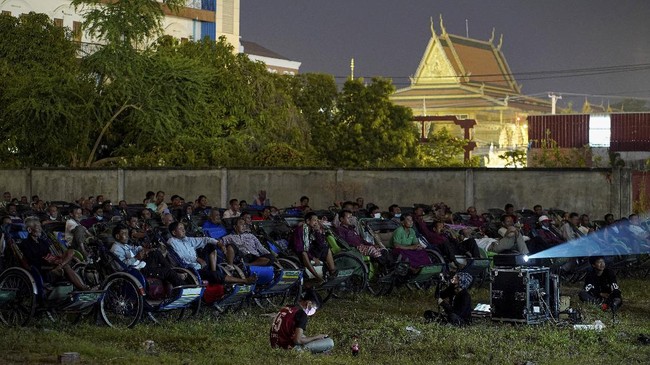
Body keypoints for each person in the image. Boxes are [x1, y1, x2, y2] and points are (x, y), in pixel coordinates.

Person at [166, 221, 255, 286]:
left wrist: (219, 244)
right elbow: (180, 256)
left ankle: (213, 270)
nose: (184, 230)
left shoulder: (188, 240)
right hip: (191, 269)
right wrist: (196, 259)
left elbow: (205, 239)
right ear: (174, 232)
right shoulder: (172, 241)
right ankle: (244, 281)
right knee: (216, 275)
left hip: (200, 265)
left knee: (210, 245)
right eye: (180, 229)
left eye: (183, 228)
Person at [20, 217, 90, 291]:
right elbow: (32, 260)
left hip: (52, 263)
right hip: (43, 268)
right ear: (29, 230)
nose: (40, 229)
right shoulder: (25, 244)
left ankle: (60, 266)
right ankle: (82, 287)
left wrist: (56, 258)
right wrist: (50, 262)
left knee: (71, 252)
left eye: (40, 226)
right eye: (37, 227)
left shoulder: (42, 241)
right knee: (66, 266)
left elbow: (49, 254)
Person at [110, 225, 186, 287]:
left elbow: (136, 249)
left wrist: (146, 249)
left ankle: (174, 272)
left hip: (140, 266)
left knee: (155, 252)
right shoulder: (116, 248)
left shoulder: (125, 245)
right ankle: (183, 287)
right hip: (134, 271)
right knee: (167, 272)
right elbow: (121, 267)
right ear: (117, 236)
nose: (127, 236)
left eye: (127, 233)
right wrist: (136, 257)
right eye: (124, 234)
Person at [270, 289, 334, 353]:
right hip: (288, 348)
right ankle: (313, 352)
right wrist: (317, 337)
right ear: (308, 303)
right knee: (330, 342)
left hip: (275, 344)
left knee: (303, 336)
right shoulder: (302, 315)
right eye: (314, 308)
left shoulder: (287, 307)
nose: (313, 311)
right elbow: (297, 341)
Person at [292, 212, 336, 282]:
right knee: (304, 253)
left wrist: (318, 231)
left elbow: (321, 244)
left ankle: (333, 273)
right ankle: (317, 276)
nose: (316, 222)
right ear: (308, 221)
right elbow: (300, 248)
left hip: (310, 250)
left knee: (326, 248)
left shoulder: (312, 229)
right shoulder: (300, 230)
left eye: (317, 220)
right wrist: (313, 258)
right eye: (314, 220)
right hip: (298, 252)